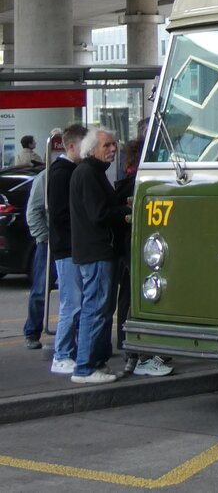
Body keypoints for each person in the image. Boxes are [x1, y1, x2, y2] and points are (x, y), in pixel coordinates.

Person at [68, 128, 129, 385]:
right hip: (96, 252)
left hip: (97, 251)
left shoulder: (92, 173)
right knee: (95, 308)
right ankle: (84, 367)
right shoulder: (88, 174)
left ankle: (96, 362)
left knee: (102, 308)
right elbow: (98, 213)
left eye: (114, 145)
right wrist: (124, 213)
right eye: (107, 145)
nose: (113, 149)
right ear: (91, 149)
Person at [113, 138, 172, 377]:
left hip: (128, 249)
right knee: (142, 298)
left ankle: (130, 350)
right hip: (140, 249)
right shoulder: (139, 186)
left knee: (128, 297)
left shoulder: (123, 184)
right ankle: (140, 354)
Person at [47, 123, 87, 375]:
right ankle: (61, 354)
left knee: (75, 303)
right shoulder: (63, 173)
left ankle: (67, 353)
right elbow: (61, 215)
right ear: (71, 146)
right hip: (67, 248)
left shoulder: (66, 171)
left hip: (70, 246)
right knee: (71, 303)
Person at [22, 168, 51, 349]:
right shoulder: (45, 177)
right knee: (41, 288)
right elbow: (33, 211)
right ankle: (32, 331)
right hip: (49, 243)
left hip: (70, 242)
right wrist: (44, 237)